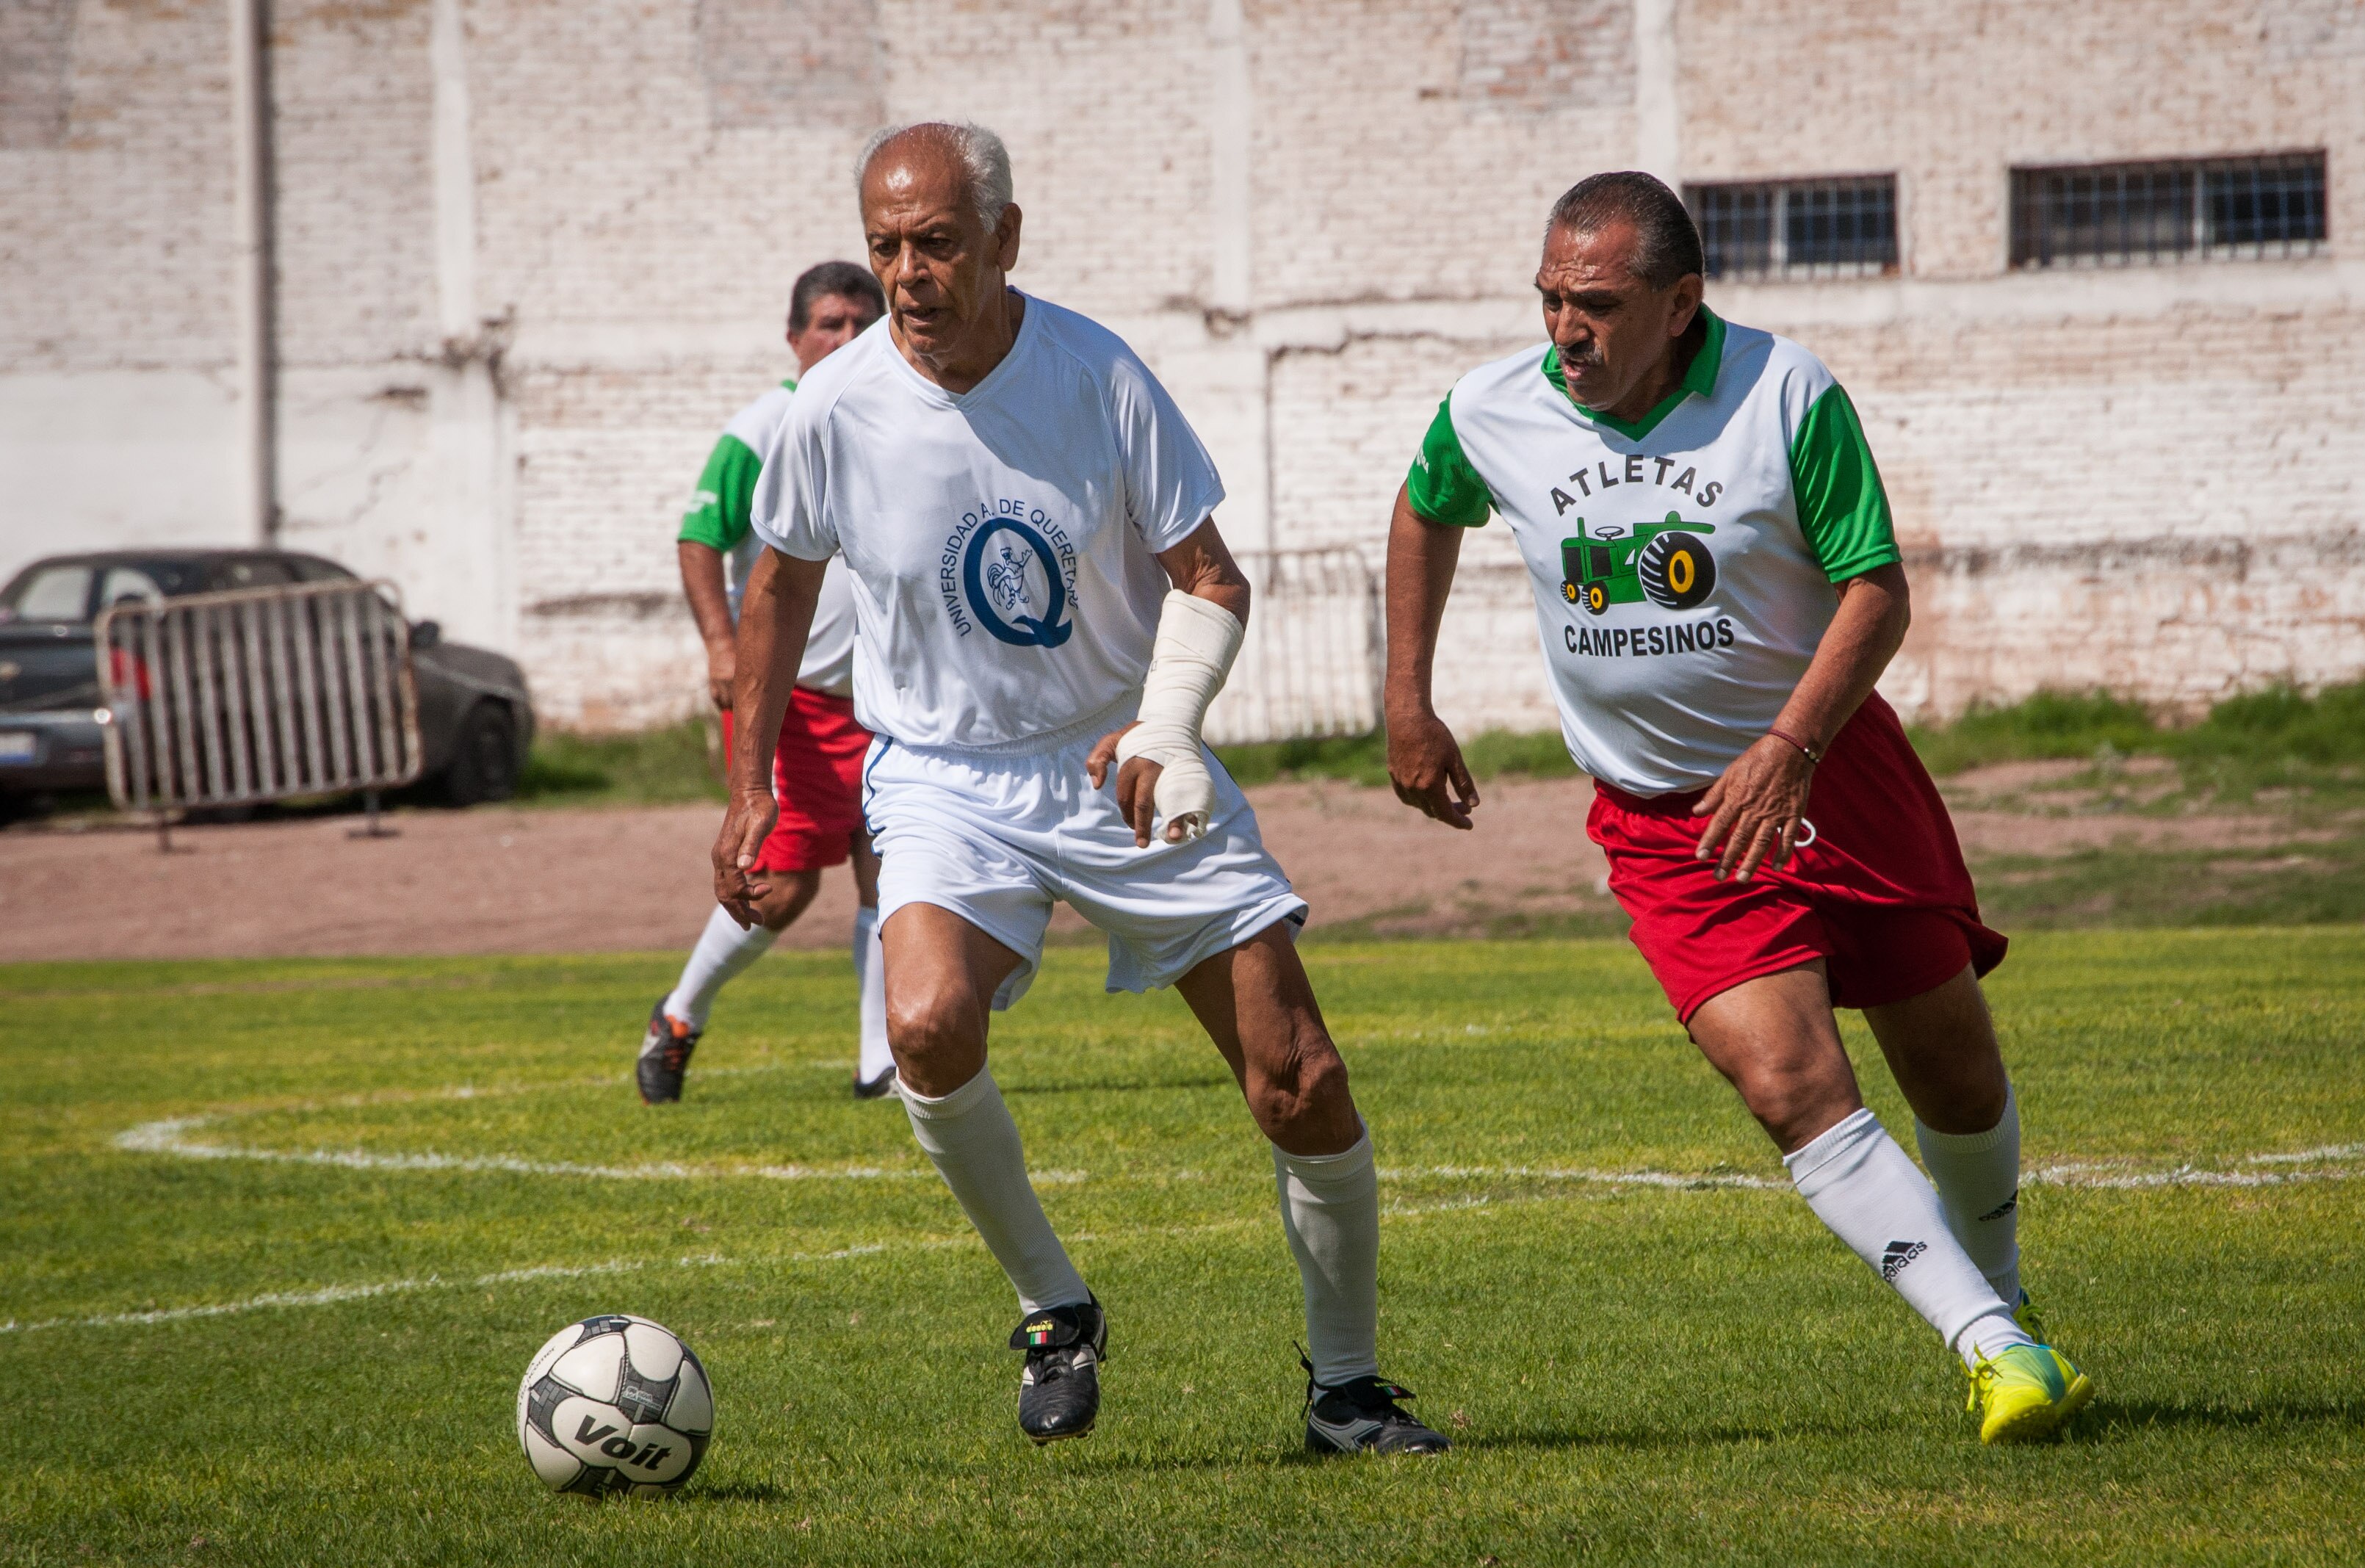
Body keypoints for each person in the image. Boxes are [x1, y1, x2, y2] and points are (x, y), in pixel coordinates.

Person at [716, 120, 1448, 1455]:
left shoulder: (1097, 373)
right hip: (941, 777)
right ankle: (1053, 1308)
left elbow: (1210, 577)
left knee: (1299, 1079)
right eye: (884, 247)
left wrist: (1164, 729)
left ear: (1003, 237)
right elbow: (775, 591)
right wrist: (750, 780)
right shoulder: (834, 408)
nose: (905, 275)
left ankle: (1344, 1389)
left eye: (935, 243)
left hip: (1121, 756)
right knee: (927, 1024)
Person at [1383, 171, 2095, 1445]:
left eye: (1595, 304)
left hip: (1830, 776)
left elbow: (1872, 590)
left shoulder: (1783, 394)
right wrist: (1405, 699)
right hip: (1668, 824)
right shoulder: (1488, 408)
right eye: (1548, 299)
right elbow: (1424, 507)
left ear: (1678, 301)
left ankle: (1997, 1286)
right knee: (1784, 1080)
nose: (1564, 331)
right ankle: (1991, 1348)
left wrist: (1788, 744)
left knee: (1950, 1061)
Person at [638, 262, 900, 1105]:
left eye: (864, 321)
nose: (847, 338)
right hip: (788, 705)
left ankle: (879, 1065)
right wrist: (722, 646)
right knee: (781, 891)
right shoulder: (765, 426)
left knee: (886, 869)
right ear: (794, 339)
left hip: (883, 700)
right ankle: (678, 1017)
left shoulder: (900, 418)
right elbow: (697, 539)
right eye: (830, 323)